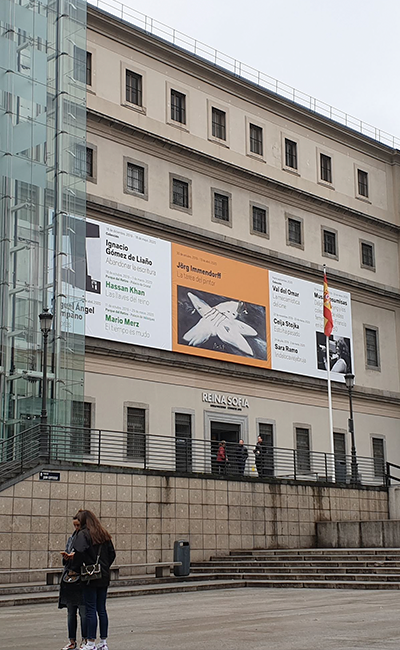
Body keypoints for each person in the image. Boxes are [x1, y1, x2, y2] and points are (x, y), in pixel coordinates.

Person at [70, 510, 116, 650]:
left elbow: (78, 554)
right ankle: (103, 642)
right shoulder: (104, 534)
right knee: (101, 609)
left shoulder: (83, 534)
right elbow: (112, 554)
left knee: (90, 608)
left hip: (89, 577)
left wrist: (75, 569)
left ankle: (90, 642)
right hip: (103, 576)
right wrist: (104, 567)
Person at [59, 515, 87, 650]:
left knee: (84, 612)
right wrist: (67, 557)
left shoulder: (86, 538)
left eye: (78, 525)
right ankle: (72, 640)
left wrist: (76, 557)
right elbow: (67, 556)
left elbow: (88, 557)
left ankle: (85, 640)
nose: (76, 528)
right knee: (71, 612)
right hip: (70, 577)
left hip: (82, 578)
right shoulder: (71, 538)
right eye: (74, 525)